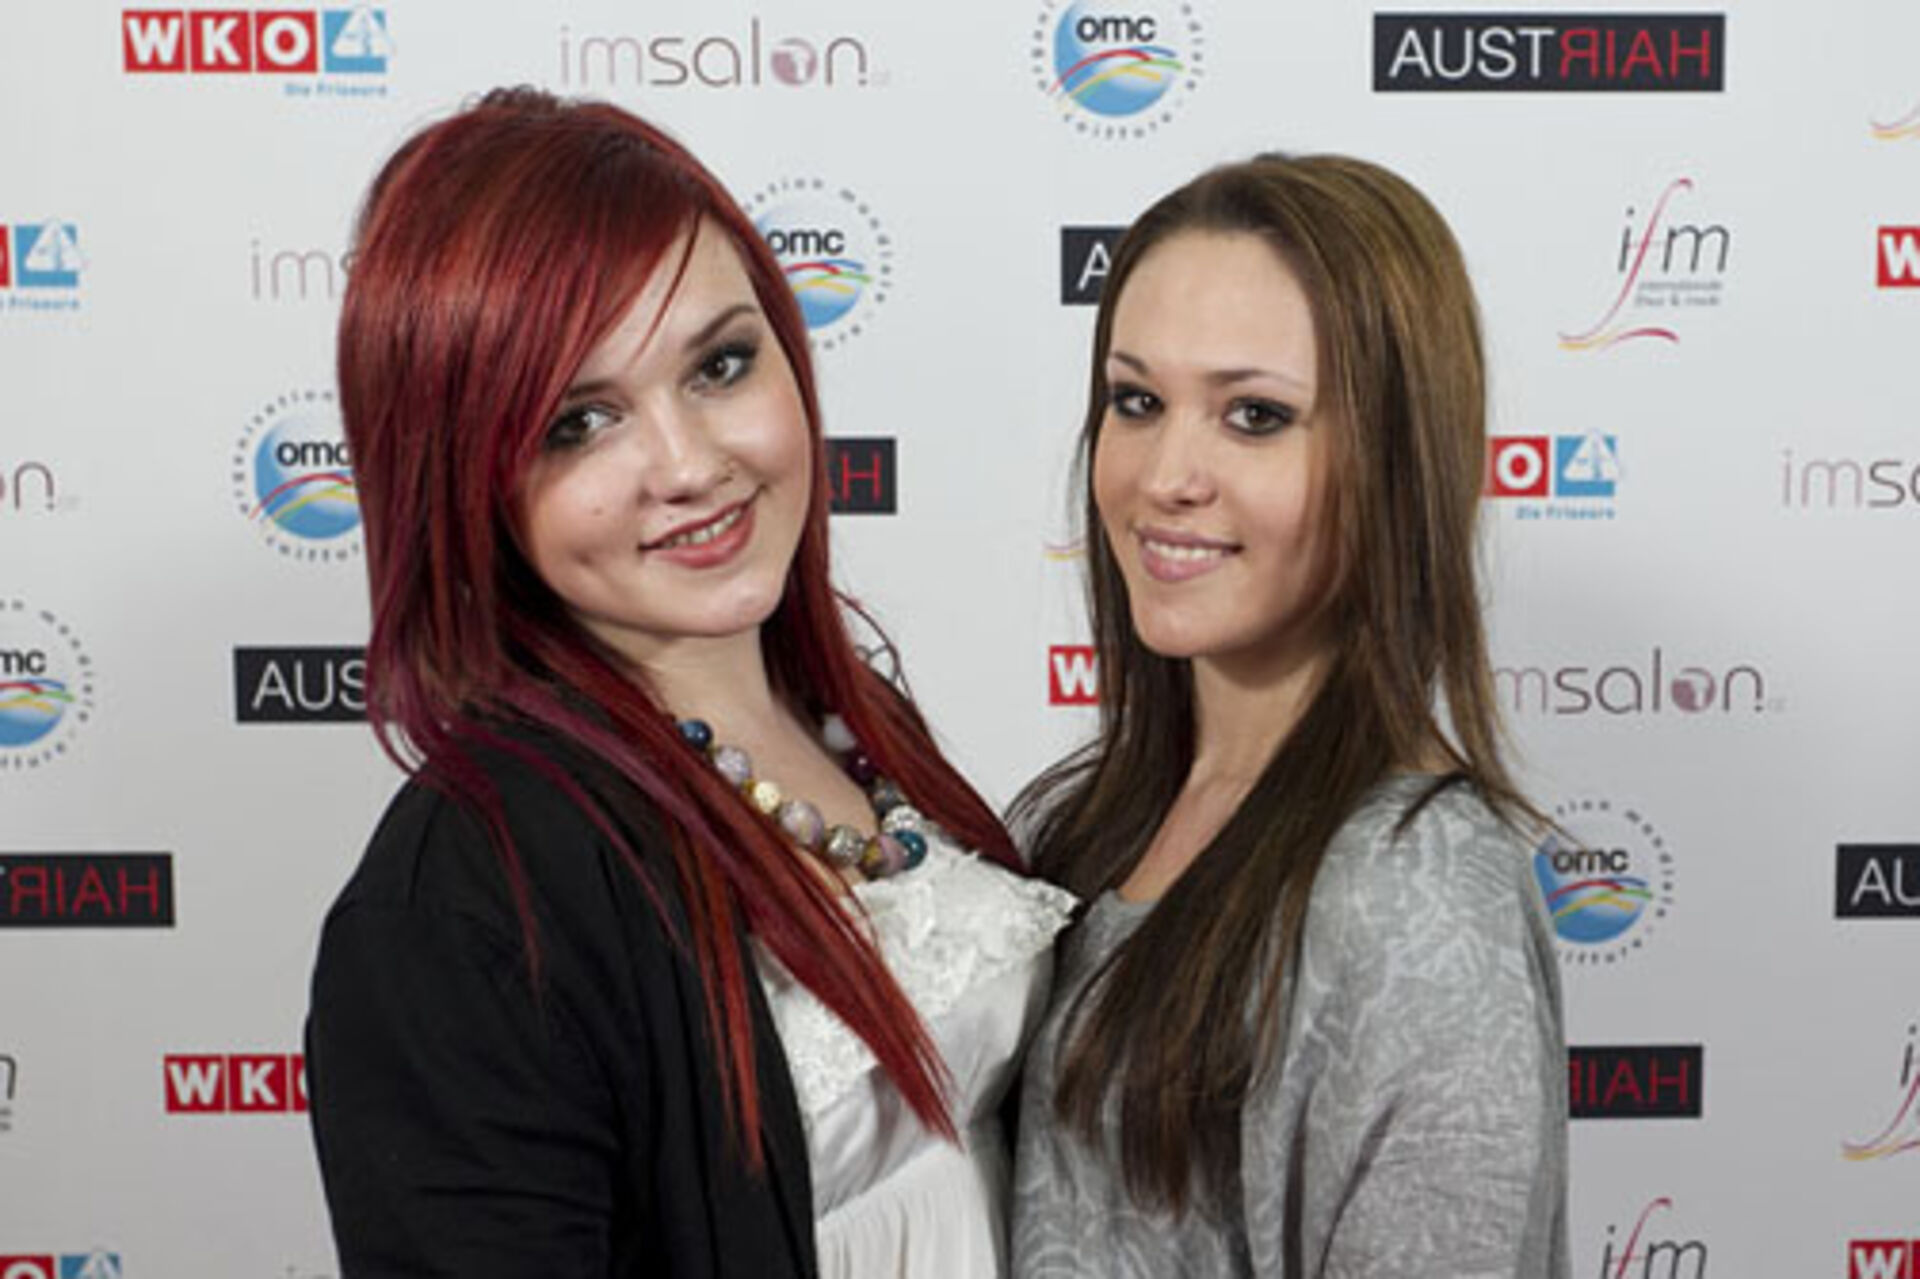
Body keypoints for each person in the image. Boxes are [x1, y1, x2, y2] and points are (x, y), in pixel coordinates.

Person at [306, 87, 1072, 1278]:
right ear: (462, 479)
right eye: (578, 423)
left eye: (720, 364)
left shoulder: (846, 717)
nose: (688, 463)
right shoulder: (457, 913)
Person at [1009, 154, 1569, 1277]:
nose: (1167, 474)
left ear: (1395, 460)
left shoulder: (1413, 895)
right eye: (1137, 401)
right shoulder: (1077, 819)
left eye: (1255, 416)